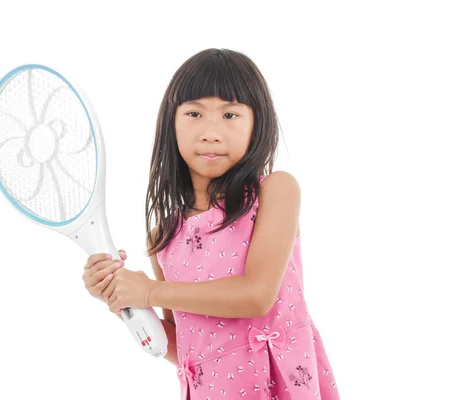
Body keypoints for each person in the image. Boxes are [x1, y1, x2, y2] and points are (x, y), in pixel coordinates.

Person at [81, 48, 340, 400]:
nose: (211, 132)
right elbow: (180, 345)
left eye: (230, 114)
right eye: (194, 113)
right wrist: (123, 300)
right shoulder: (165, 236)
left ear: (257, 123)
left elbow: (256, 295)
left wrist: (148, 292)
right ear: (170, 124)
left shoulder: (275, 191)